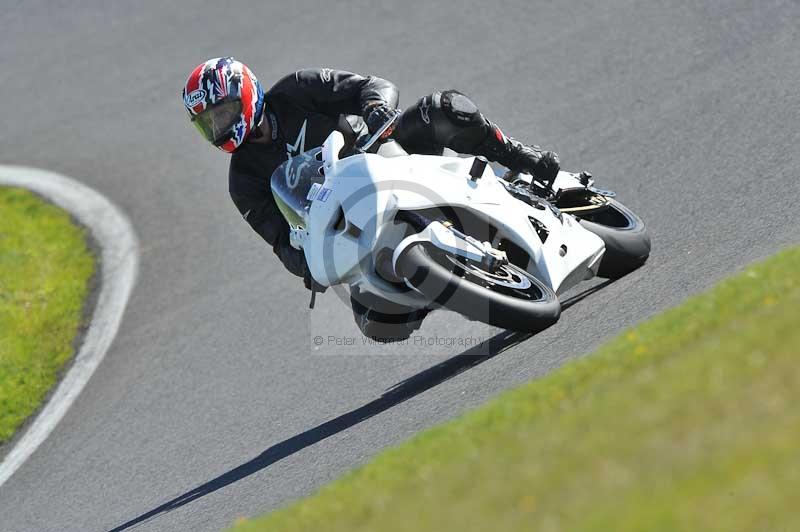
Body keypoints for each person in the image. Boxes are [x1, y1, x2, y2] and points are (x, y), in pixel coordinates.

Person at [182, 57, 560, 341]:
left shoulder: (296, 90)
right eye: (208, 124)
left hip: (389, 159)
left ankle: (516, 155)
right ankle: (435, 282)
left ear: (245, 95)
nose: (219, 128)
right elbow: (281, 241)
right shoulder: (244, 180)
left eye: (223, 113)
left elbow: (371, 86)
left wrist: (375, 107)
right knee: (377, 324)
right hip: (351, 225)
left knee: (442, 109)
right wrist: (306, 261)